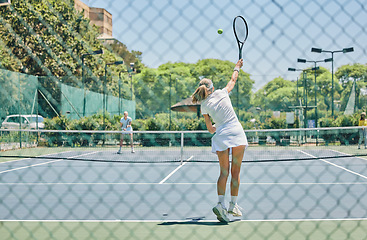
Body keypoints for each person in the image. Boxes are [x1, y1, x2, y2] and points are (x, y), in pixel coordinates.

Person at [192, 59, 248, 223]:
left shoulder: (204, 105)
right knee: (235, 173)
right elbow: (233, 80)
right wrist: (237, 67)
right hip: (237, 133)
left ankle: (220, 204)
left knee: (224, 172)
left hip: (221, 136)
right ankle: (233, 205)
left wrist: (219, 126)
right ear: (212, 88)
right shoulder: (223, 93)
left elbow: (210, 129)